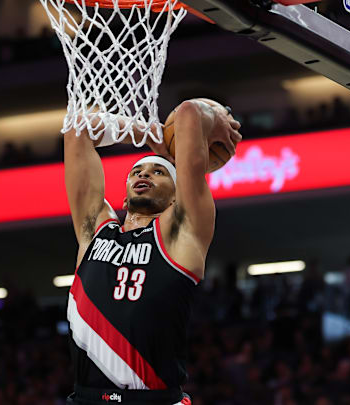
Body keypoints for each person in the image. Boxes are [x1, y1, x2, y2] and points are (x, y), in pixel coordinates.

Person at [63, 99, 242, 404]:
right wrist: (145, 133)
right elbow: (77, 128)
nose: (144, 174)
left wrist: (209, 120)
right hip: (86, 398)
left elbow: (188, 113)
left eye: (159, 171)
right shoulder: (95, 230)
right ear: (124, 196)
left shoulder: (179, 234)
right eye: (137, 171)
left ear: (177, 197)